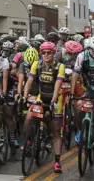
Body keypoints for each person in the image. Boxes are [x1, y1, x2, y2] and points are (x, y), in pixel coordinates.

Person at [22, 41, 66, 173]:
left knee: (56, 132)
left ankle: (57, 161)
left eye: (49, 53)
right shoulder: (37, 64)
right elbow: (29, 81)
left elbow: (58, 84)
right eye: (44, 53)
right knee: (29, 117)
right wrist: (24, 96)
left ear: (53, 54)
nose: (46, 55)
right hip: (41, 97)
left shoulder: (60, 66)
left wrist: (53, 100)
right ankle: (29, 140)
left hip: (55, 99)